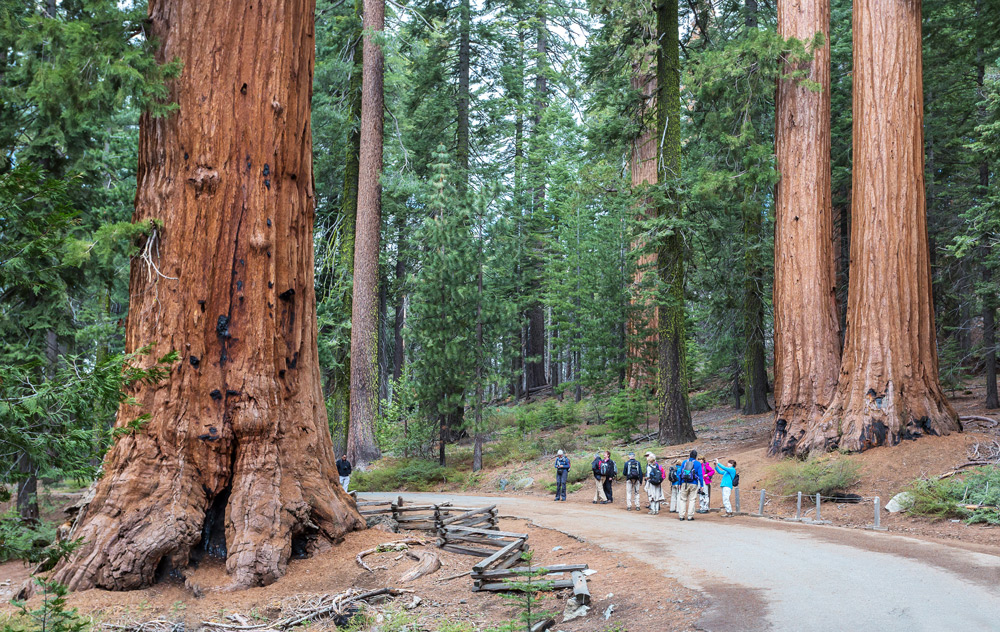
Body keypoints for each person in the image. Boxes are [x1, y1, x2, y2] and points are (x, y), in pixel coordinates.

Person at [675, 450, 704, 521]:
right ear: (696, 456)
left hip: (684, 482)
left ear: (689, 455)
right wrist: (702, 485)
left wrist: (679, 483)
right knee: (692, 500)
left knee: (683, 499)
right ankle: (690, 516)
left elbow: (680, 474)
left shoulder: (684, 462)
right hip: (694, 483)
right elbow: (700, 474)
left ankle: (681, 515)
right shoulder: (697, 463)